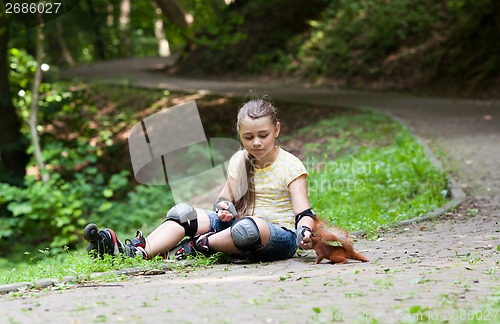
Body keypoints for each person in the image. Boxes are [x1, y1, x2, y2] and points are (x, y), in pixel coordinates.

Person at [85, 98, 317, 262]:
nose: (256, 142)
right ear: (240, 135)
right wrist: (224, 208)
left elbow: (304, 214)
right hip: (236, 227)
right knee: (182, 213)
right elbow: (224, 200)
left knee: (248, 228)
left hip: (278, 237)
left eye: (263, 135)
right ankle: (136, 252)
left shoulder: (290, 165)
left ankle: (198, 246)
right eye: (249, 137)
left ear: (276, 130)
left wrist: (304, 233)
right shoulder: (239, 160)